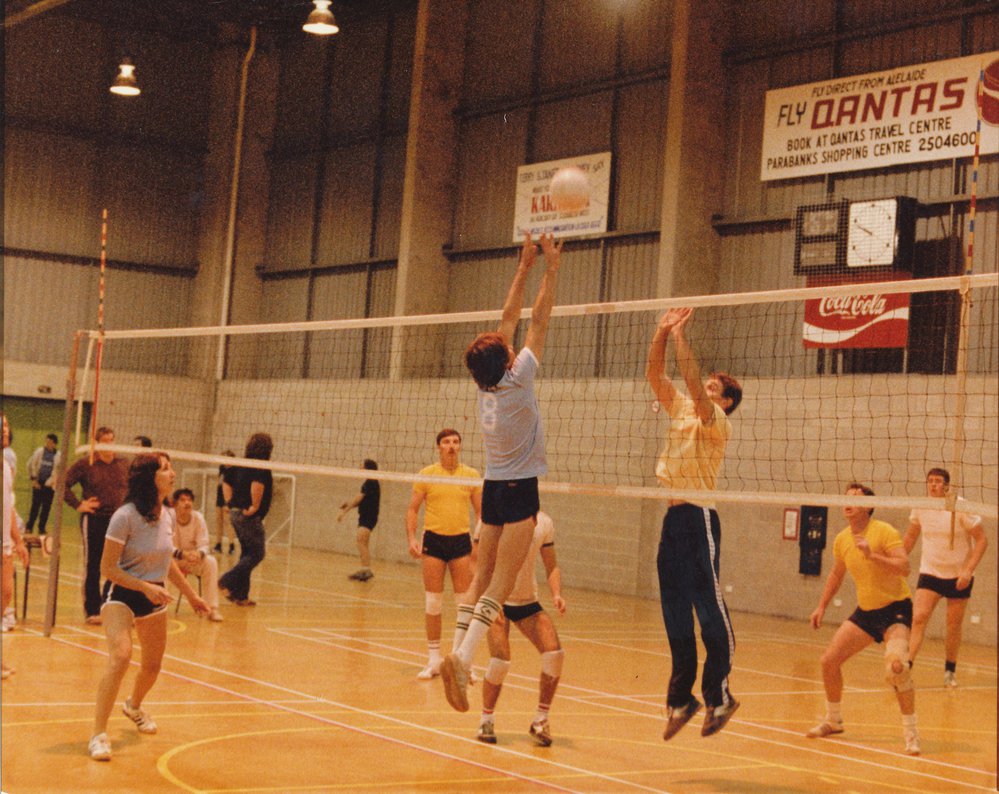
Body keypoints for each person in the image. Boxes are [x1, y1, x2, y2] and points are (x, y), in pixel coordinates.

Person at [440, 232, 560, 713]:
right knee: (500, 584)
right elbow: (538, 320)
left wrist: (522, 267)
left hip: (490, 487)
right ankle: (462, 657)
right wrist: (550, 268)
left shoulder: (486, 386)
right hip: (518, 493)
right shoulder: (520, 376)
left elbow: (509, 320)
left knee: (477, 578)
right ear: (508, 359)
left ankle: (457, 657)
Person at [645, 307, 743, 740]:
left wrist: (682, 338)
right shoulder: (681, 408)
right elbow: (654, 372)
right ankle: (682, 698)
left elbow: (688, 380)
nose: (706, 387)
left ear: (725, 401)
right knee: (674, 611)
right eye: (708, 383)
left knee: (708, 608)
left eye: (714, 387)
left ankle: (720, 694)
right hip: (673, 517)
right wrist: (662, 331)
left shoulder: (715, 419)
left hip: (700, 514)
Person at [87, 452, 209, 761]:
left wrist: (192, 597)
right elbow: (107, 569)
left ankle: (134, 706)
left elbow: (167, 564)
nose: (172, 474)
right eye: (165, 469)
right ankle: (98, 734)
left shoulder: (165, 515)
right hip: (122, 593)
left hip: (155, 596)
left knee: (153, 666)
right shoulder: (124, 516)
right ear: (149, 479)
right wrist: (144, 587)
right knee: (122, 656)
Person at [807, 483, 920, 756]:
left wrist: (873, 555)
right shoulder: (842, 539)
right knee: (828, 662)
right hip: (866, 612)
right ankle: (833, 720)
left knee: (897, 668)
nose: (848, 502)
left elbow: (904, 567)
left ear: (869, 506)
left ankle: (911, 734)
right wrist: (821, 606)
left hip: (895, 609)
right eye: (845, 497)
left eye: (855, 499)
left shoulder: (884, 532)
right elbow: (836, 574)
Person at [474, 511, 565, 747]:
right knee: (500, 661)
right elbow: (477, 562)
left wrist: (556, 594)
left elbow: (551, 564)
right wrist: (487, 597)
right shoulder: (490, 518)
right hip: (496, 598)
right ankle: (486, 719)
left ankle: (541, 720)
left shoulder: (544, 522)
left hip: (526, 601)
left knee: (554, 653)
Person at [407, 431, 482, 678]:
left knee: (464, 603)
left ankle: (462, 660)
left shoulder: (471, 476)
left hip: (461, 542)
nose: (452, 446)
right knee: (433, 601)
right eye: (447, 442)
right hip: (434, 541)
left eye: (456, 442)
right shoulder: (427, 474)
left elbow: (481, 514)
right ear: (438, 447)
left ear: (460, 446)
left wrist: (479, 545)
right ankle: (434, 660)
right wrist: (412, 538)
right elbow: (413, 508)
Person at [903, 467, 987, 687]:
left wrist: (968, 570)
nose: (933, 485)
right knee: (919, 617)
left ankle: (950, 670)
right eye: (930, 481)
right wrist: (899, 559)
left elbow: (981, 540)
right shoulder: (922, 506)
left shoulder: (960, 506)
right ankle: (906, 665)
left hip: (958, 575)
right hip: (930, 571)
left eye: (938, 481)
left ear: (947, 485)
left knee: (953, 625)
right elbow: (910, 537)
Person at [64, 427, 129, 625]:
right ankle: (92, 609)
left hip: (118, 521)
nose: (109, 445)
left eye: (112, 440)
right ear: (96, 443)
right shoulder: (86, 463)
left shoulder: (123, 464)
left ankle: (110, 604)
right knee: (93, 564)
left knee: (119, 565)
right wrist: (79, 504)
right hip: (94, 520)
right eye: (104, 441)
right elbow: (61, 484)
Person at [218, 433, 273, 607]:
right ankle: (226, 580)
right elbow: (257, 484)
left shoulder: (241, 463)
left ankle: (240, 596)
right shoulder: (260, 466)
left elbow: (226, 481)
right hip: (248, 516)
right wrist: (255, 506)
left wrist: (228, 502)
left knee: (247, 554)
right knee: (257, 554)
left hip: (235, 513)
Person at [2, 414, 30, 675]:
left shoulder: (6, 466)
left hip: (5, 544)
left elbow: (9, 507)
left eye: (7, 426)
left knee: (5, 594)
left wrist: (18, 541)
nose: (5, 430)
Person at [170, 488, 223, 621]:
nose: (187, 503)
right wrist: (183, 554)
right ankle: (151, 607)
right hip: (173, 561)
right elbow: (166, 546)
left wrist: (199, 554)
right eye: (182, 500)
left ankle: (212, 609)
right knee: (158, 563)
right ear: (175, 504)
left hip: (193, 560)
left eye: (189, 500)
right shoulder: (169, 518)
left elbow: (204, 543)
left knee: (210, 562)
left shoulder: (198, 518)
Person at [338, 459, 380, 581]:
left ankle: (366, 570)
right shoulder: (371, 482)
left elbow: (358, 499)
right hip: (367, 516)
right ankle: (364, 570)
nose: (360, 467)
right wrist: (348, 504)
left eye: (362, 466)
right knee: (363, 543)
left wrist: (344, 512)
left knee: (360, 542)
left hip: (368, 517)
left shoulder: (370, 482)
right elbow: (360, 500)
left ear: (368, 468)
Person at [26, 434, 61, 535]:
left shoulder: (58, 455)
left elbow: (59, 470)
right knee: (35, 507)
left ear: (54, 444)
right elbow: (30, 464)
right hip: (38, 483)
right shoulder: (40, 451)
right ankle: (29, 526)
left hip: (49, 485)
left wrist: (53, 482)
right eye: (46, 441)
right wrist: (33, 480)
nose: (47, 444)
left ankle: (41, 528)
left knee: (46, 508)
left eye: (50, 442)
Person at [213, 451, 237, 554]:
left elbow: (235, 488)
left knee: (228, 522)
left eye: (225, 458)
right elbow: (219, 482)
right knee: (218, 521)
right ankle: (218, 545)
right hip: (219, 498)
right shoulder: (222, 468)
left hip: (228, 499)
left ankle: (232, 546)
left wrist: (230, 503)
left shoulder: (235, 471)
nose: (223, 461)